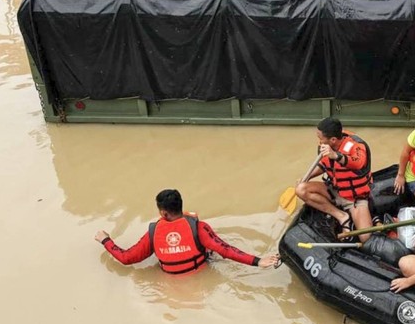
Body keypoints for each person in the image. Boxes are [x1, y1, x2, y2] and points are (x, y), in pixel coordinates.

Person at [93, 189, 279, 273]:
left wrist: (105, 240)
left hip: (169, 287)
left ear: (163, 213)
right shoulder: (198, 227)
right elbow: (226, 250)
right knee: (212, 251)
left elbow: (126, 258)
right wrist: (258, 261)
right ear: (181, 206)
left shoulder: (153, 232)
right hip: (201, 274)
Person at [296, 117, 372, 241]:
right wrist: (307, 176)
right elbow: (324, 164)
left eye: (321, 138)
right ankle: (342, 216)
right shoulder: (325, 145)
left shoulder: (356, 146)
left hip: (354, 198)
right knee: (301, 189)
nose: (319, 141)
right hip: (334, 189)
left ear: (333, 140)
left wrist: (336, 155)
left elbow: (358, 163)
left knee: (366, 237)